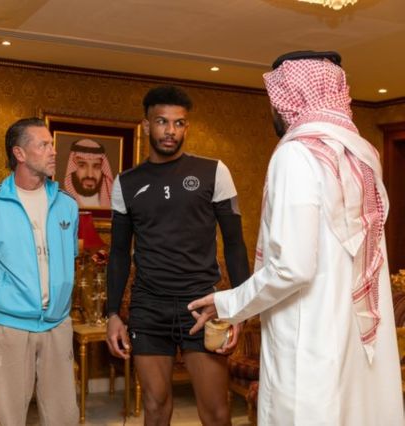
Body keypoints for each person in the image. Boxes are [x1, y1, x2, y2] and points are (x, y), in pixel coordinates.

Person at [188, 51, 404, 425]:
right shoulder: (362, 154)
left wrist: (228, 303)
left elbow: (293, 267)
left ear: (289, 98)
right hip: (355, 339)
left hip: (310, 342)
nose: (273, 108)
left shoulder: (296, 154)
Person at [106, 85, 250, 426]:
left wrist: (240, 308)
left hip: (202, 305)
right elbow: (118, 253)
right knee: (155, 408)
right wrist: (112, 313)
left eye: (179, 123)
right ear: (146, 125)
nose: (170, 130)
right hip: (148, 308)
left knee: (216, 412)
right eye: (162, 121)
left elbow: (234, 244)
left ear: (186, 126)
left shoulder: (214, 171)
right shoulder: (126, 183)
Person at [0, 117, 79, 426]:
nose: (53, 151)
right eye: (44, 145)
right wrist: (2, 295)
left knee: (64, 417)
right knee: (8, 417)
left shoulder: (68, 204)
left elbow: (70, 257)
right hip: (9, 328)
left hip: (57, 325)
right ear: (20, 153)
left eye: (52, 144)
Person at [64, 138, 114, 208]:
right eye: (82, 166)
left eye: (97, 167)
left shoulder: (114, 206)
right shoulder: (61, 204)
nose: (90, 175)